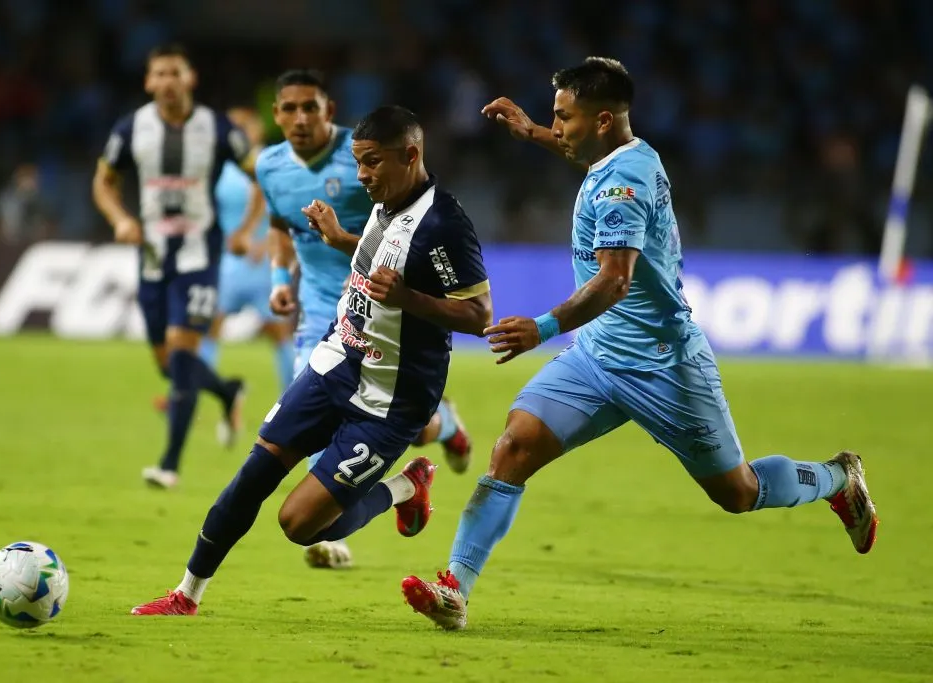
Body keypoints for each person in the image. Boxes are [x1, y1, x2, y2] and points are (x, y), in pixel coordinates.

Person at [401, 57, 879, 631]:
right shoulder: (621, 154)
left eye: (564, 118)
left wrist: (543, 327)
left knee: (737, 492)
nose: (559, 127)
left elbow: (615, 279)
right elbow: (581, 155)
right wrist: (531, 132)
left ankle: (836, 480)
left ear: (602, 120)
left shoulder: (623, 185)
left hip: (663, 366)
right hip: (598, 356)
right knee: (513, 448)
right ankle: (456, 588)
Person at [130, 105, 494, 616]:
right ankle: (185, 595)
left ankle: (407, 486)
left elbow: (479, 315)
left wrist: (409, 299)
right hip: (334, 362)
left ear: (410, 156)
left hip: (390, 400)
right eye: (359, 162)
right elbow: (380, 258)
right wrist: (342, 240)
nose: (362, 175)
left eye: (372, 163)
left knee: (300, 524)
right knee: (254, 474)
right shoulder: (385, 202)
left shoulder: (444, 224)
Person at [254, 69, 476, 568]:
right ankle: (328, 532)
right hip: (323, 317)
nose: (299, 118)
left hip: (391, 321)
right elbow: (278, 224)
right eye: (288, 108)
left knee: (408, 428)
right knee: (320, 424)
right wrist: (278, 280)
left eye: (309, 107)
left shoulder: (367, 158)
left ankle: (445, 428)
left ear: (329, 110)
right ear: (276, 115)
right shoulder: (269, 166)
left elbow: (404, 232)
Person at [92, 43, 253, 488]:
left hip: (200, 257)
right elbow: (104, 181)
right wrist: (121, 218)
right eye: (158, 73)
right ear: (148, 82)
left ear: (190, 78)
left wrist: (248, 228)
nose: (166, 81)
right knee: (167, 365)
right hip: (152, 258)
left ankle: (169, 464)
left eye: (174, 73)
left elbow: (262, 176)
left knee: (183, 356)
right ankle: (227, 390)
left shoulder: (218, 129)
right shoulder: (131, 129)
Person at [151, 106, 296, 420]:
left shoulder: (269, 164)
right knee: (206, 328)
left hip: (259, 261)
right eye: (234, 126)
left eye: (245, 124)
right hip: (225, 262)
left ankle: (294, 402)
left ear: (257, 130)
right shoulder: (220, 165)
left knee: (278, 333)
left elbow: (285, 208)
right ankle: (186, 394)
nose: (238, 131)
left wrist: (263, 242)